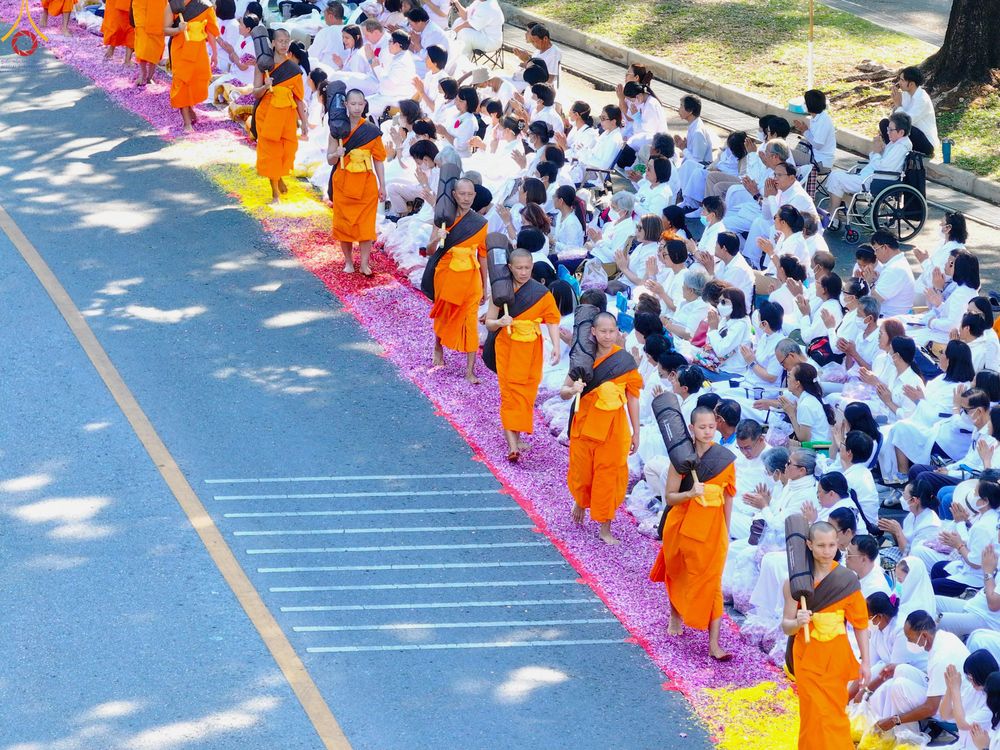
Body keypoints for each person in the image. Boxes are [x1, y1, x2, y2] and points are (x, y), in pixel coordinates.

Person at [650, 406, 736, 660]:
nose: (708, 431)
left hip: (712, 531)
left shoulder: (725, 459)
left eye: (711, 427)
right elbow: (670, 497)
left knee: (713, 584)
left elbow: (728, 498)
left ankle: (714, 644)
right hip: (681, 526)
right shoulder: (682, 459)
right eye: (702, 427)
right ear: (691, 429)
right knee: (678, 571)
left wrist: (726, 531)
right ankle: (675, 613)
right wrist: (690, 493)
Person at [782, 521, 870, 750]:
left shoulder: (847, 580)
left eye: (832, 545)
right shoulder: (797, 582)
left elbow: (860, 624)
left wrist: (866, 662)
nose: (827, 550)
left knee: (833, 716)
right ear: (809, 545)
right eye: (821, 545)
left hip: (835, 658)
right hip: (807, 658)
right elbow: (786, 626)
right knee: (813, 715)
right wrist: (797, 622)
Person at [561, 312, 642, 546]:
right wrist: (573, 389)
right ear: (593, 333)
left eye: (612, 331)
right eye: (603, 331)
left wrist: (636, 431)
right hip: (585, 427)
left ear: (618, 331)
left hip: (614, 431)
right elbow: (563, 392)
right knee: (583, 473)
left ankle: (605, 527)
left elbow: (633, 398)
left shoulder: (625, 362)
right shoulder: (583, 359)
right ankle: (580, 501)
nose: (608, 336)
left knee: (610, 477)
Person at [484, 249, 562, 462]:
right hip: (507, 349)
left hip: (530, 352)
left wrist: (556, 345)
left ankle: (516, 438)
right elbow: (489, 322)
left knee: (525, 397)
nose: (524, 272)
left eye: (527, 268)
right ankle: (512, 446)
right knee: (510, 396)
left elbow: (553, 319)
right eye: (519, 268)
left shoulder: (541, 293)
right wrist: (500, 322)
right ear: (510, 267)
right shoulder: (501, 291)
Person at [869, 610, 974, 735]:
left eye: (910, 639)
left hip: (954, 710)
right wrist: (896, 666)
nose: (909, 643)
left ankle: (908, 738)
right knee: (901, 669)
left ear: (924, 636)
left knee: (899, 687)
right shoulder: (944, 637)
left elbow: (931, 708)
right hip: (949, 695)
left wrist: (895, 720)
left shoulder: (940, 657)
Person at [425, 178, 489, 384]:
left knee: (470, 321)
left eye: (470, 194)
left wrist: (485, 285)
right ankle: (438, 346)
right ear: (454, 194)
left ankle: (470, 370)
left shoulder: (480, 223)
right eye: (462, 194)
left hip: (470, 277)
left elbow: (483, 255)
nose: (466, 198)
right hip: (446, 273)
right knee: (443, 312)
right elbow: (430, 251)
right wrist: (438, 237)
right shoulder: (444, 218)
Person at [328, 90, 387, 276]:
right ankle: (348, 261)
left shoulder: (371, 131)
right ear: (346, 104)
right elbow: (329, 160)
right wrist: (336, 154)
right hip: (343, 183)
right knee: (344, 224)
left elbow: (378, 159)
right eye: (352, 104)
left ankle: (364, 263)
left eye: (360, 104)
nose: (356, 108)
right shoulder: (337, 129)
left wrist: (382, 185)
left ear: (364, 104)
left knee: (365, 226)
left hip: (366, 184)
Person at [825, 112, 913, 228]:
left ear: (901, 132)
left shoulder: (900, 147)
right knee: (836, 176)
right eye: (888, 129)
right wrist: (879, 148)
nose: (887, 132)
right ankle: (838, 211)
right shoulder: (895, 143)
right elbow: (882, 160)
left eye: (891, 130)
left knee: (836, 177)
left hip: (876, 180)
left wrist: (876, 152)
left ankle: (833, 215)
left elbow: (882, 166)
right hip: (872, 176)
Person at [254, 29, 308, 204]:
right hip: (267, 115)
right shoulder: (263, 65)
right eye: (281, 41)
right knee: (271, 153)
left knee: (287, 152)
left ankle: (279, 176)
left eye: (287, 41)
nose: (284, 45)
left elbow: (299, 99)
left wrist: (304, 123)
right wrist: (265, 86)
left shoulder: (293, 69)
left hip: (286, 117)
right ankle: (275, 194)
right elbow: (255, 93)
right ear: (273, 43)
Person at [163, 0, 220, 132]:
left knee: (199, 81)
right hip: (180, 51)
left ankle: (189, 107)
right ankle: (186, 123)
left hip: (199, 51)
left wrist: (215, 53)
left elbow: (210, 31)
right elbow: (164, 29)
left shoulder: (205, 5)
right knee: (182, 83)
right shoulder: (173, 5)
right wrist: (178, 29)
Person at [884, 66, 938, 158]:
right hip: (908, 136)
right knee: (885, 124)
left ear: (911, 84)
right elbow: (893, 120)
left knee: (904, 128)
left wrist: (898, 105)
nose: (899, 83)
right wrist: (896, 105)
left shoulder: (922, 99)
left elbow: (906, 122)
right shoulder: (905, 95)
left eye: (902, 80)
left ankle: (897, 151)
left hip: (925, 142)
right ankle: (893, 152)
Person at [792, 89, 836, 170]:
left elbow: (818, 145)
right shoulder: (815, 118)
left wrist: (805, 131)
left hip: (820, 162)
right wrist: (804, 129)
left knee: (785, 154)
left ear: (810, 104)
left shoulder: (824, 120)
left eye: (805, 102)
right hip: (814, 156)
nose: (803, 104)